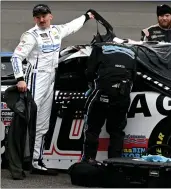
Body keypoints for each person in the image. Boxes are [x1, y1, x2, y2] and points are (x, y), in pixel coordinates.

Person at [10, 4, 94, 175]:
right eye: (38, 17)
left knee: (42, 124)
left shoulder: (57, 30)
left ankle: (35, 161)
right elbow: (16, 57)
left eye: (44, 16)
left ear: (51, 16)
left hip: (50, 79)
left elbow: (72, 27)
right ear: (34, 19)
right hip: (35, 78)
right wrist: (20, 79)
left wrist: (86, 17)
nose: (41, 19)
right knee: (28, 122)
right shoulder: (31, 35)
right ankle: (21, 161)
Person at [81, 43, 137, 162]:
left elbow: (89, 72)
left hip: (102, 94)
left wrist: (91, 84)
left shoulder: (98, 48)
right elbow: (134, 77)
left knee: (92, 129)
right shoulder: (131, 51)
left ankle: (88, 162)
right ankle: (115, 165)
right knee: (117, 132)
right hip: (122, 96)